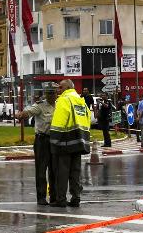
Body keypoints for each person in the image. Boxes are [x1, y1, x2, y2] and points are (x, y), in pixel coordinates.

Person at [49, 79, 91, 208]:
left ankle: (60, 199)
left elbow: (59, 121)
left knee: (62, 171)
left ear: (66, 88)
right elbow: (88, 118)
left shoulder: (64, 99)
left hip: (65, 141)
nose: (58, 90)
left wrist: (54, 141)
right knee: (75, 171)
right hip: (79, 141)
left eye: (60, 87)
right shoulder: (80, 101)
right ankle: (76, 197)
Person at [15, 82, 58, 205]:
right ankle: (41, 197)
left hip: (55, 140)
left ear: (57, 94)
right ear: (45, 94)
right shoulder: (40, 106)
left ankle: (54, 197)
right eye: (48, 93)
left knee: (54, 170)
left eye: (53, 93)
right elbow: (29, 111)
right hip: (42, 140)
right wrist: (21, 114)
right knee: (41, 170)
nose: (51, 96)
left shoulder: (60, 105)